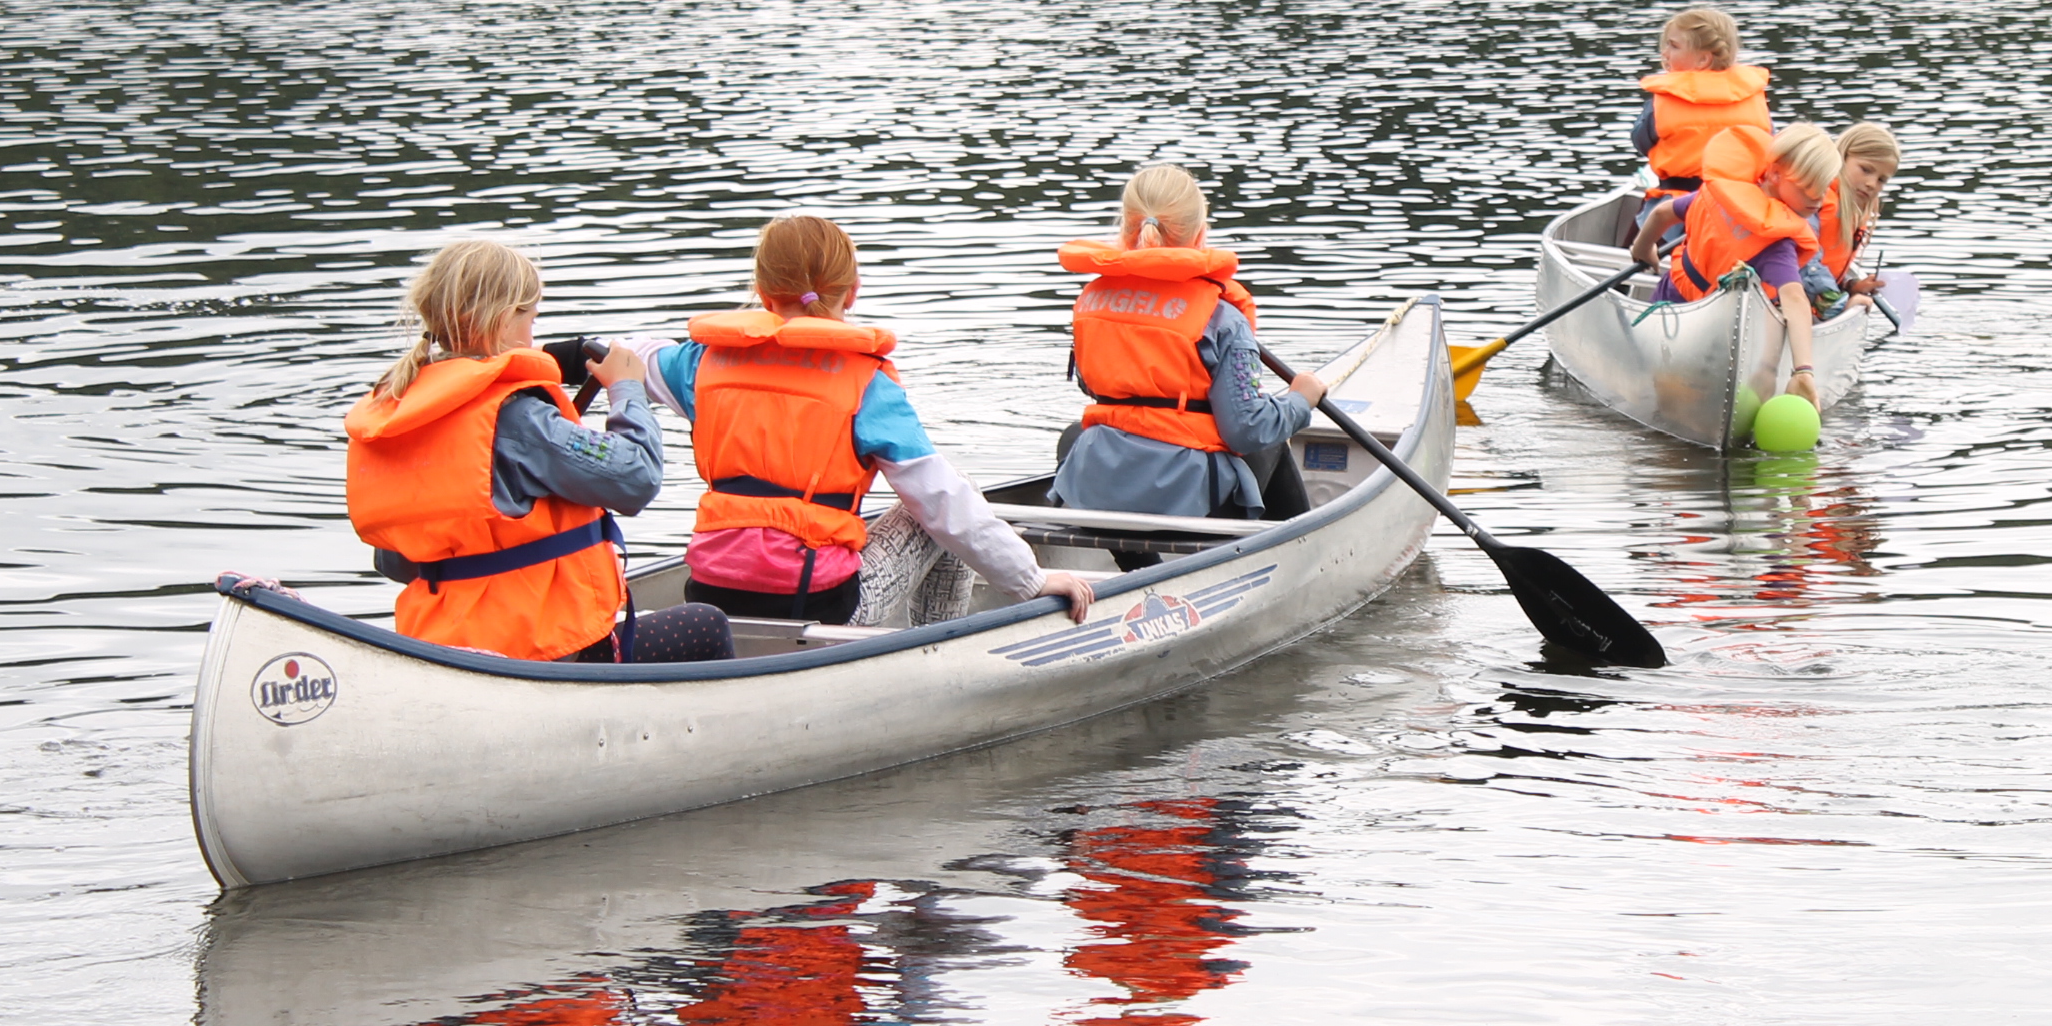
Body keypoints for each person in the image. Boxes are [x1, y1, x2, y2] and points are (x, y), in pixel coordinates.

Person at [625, 215, 1094, 628]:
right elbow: (942, 501)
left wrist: (570, 356)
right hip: (818, 605)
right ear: (852, 292)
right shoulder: (866, 383)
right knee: (950, 499)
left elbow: (630, 355)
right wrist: (1031, 580)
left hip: (712, 594)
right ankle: (933, 652)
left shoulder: (702, 365)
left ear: (764, 295)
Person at [345, 239, 737, 665]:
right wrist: (627, 389)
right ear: (502, 319)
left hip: (440, 646)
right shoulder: (519, 417)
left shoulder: (396, 411)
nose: (533, 333)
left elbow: (394, 564)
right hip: (546, 648)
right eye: (530, 317)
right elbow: (636, 478)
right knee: (706, 623)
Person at [1052, 165, 1324, 521]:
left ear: (1127, 227)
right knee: (1269, 438)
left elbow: (1093, 384)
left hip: (1099, 484)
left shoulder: (1092, 301)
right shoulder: (1222, 315)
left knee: (1076, 436)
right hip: (1186, 495)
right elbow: (1247, 430)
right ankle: (1298, 548)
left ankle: (1135, 564)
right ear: (1200, 231)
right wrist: (1301, 398)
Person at [1628, 123, 1841, 408]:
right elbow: (1794, 298)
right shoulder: (1776, 245)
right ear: (1776, 174)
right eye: (1808, 187)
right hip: (1713, 338)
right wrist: (1803, 370)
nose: (1818, 197)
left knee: (1664, 390)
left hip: (1671, 307)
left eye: (1825, 186)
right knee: (1685, 393)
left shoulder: (1721, 192)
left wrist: (1642, 249)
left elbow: (1664, 212)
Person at [1632, 6, 1773, 198]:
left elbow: (1641, 141)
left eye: (1673, 46)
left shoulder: (1664, 101)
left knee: (1649, 223)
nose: (1665, 53)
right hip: (1742, 198)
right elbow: (1769, 139)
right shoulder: (1753, 95)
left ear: (1703, 60)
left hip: (1679, 196)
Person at [1802, 121, 1901, 316]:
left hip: (1813, 304)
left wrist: (1851, 286)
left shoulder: (1853, 209)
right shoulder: (1816, 200)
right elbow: (1806, 263)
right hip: (1791, 302)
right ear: (1842, 157)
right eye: (1866, 169)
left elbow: (1830, 264)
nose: (1872, 184)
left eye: (1882, 180)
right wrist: (1839, 305)